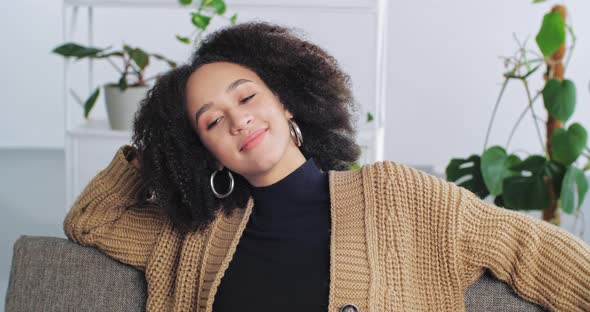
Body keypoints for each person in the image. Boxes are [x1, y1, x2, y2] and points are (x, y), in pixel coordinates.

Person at [63, 21, 590, 312]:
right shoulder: (191, 236)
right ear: (205, 150)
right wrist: (163, 152)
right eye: (212, 123)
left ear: (287, 101)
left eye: (246, 97)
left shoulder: (399, 195)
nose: (239, 121)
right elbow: (90, 219)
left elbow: (529, 247)